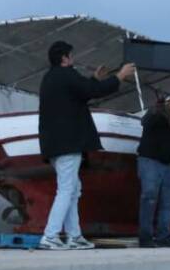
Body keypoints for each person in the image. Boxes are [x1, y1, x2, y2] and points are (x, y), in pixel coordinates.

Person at [37, 40, 135, 250]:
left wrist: (95, 79)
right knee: (66, 189)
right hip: (68, 144)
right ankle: (50, 235)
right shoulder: (67, 74)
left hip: (54, 145)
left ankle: (74, 236)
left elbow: (84, 89)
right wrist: (119, 76)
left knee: (73, 189)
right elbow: (92, 91)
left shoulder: (50, 78)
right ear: (64, 58)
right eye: (71, 55)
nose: (73, 59)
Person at [136, 92, 170, 248]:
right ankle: (145, 237)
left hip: (167, 164)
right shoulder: (158, 112)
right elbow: (146, 122)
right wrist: (156, 108)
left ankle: (163, 236)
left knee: (168, 200)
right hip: (150, 160)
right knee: (149, 197)